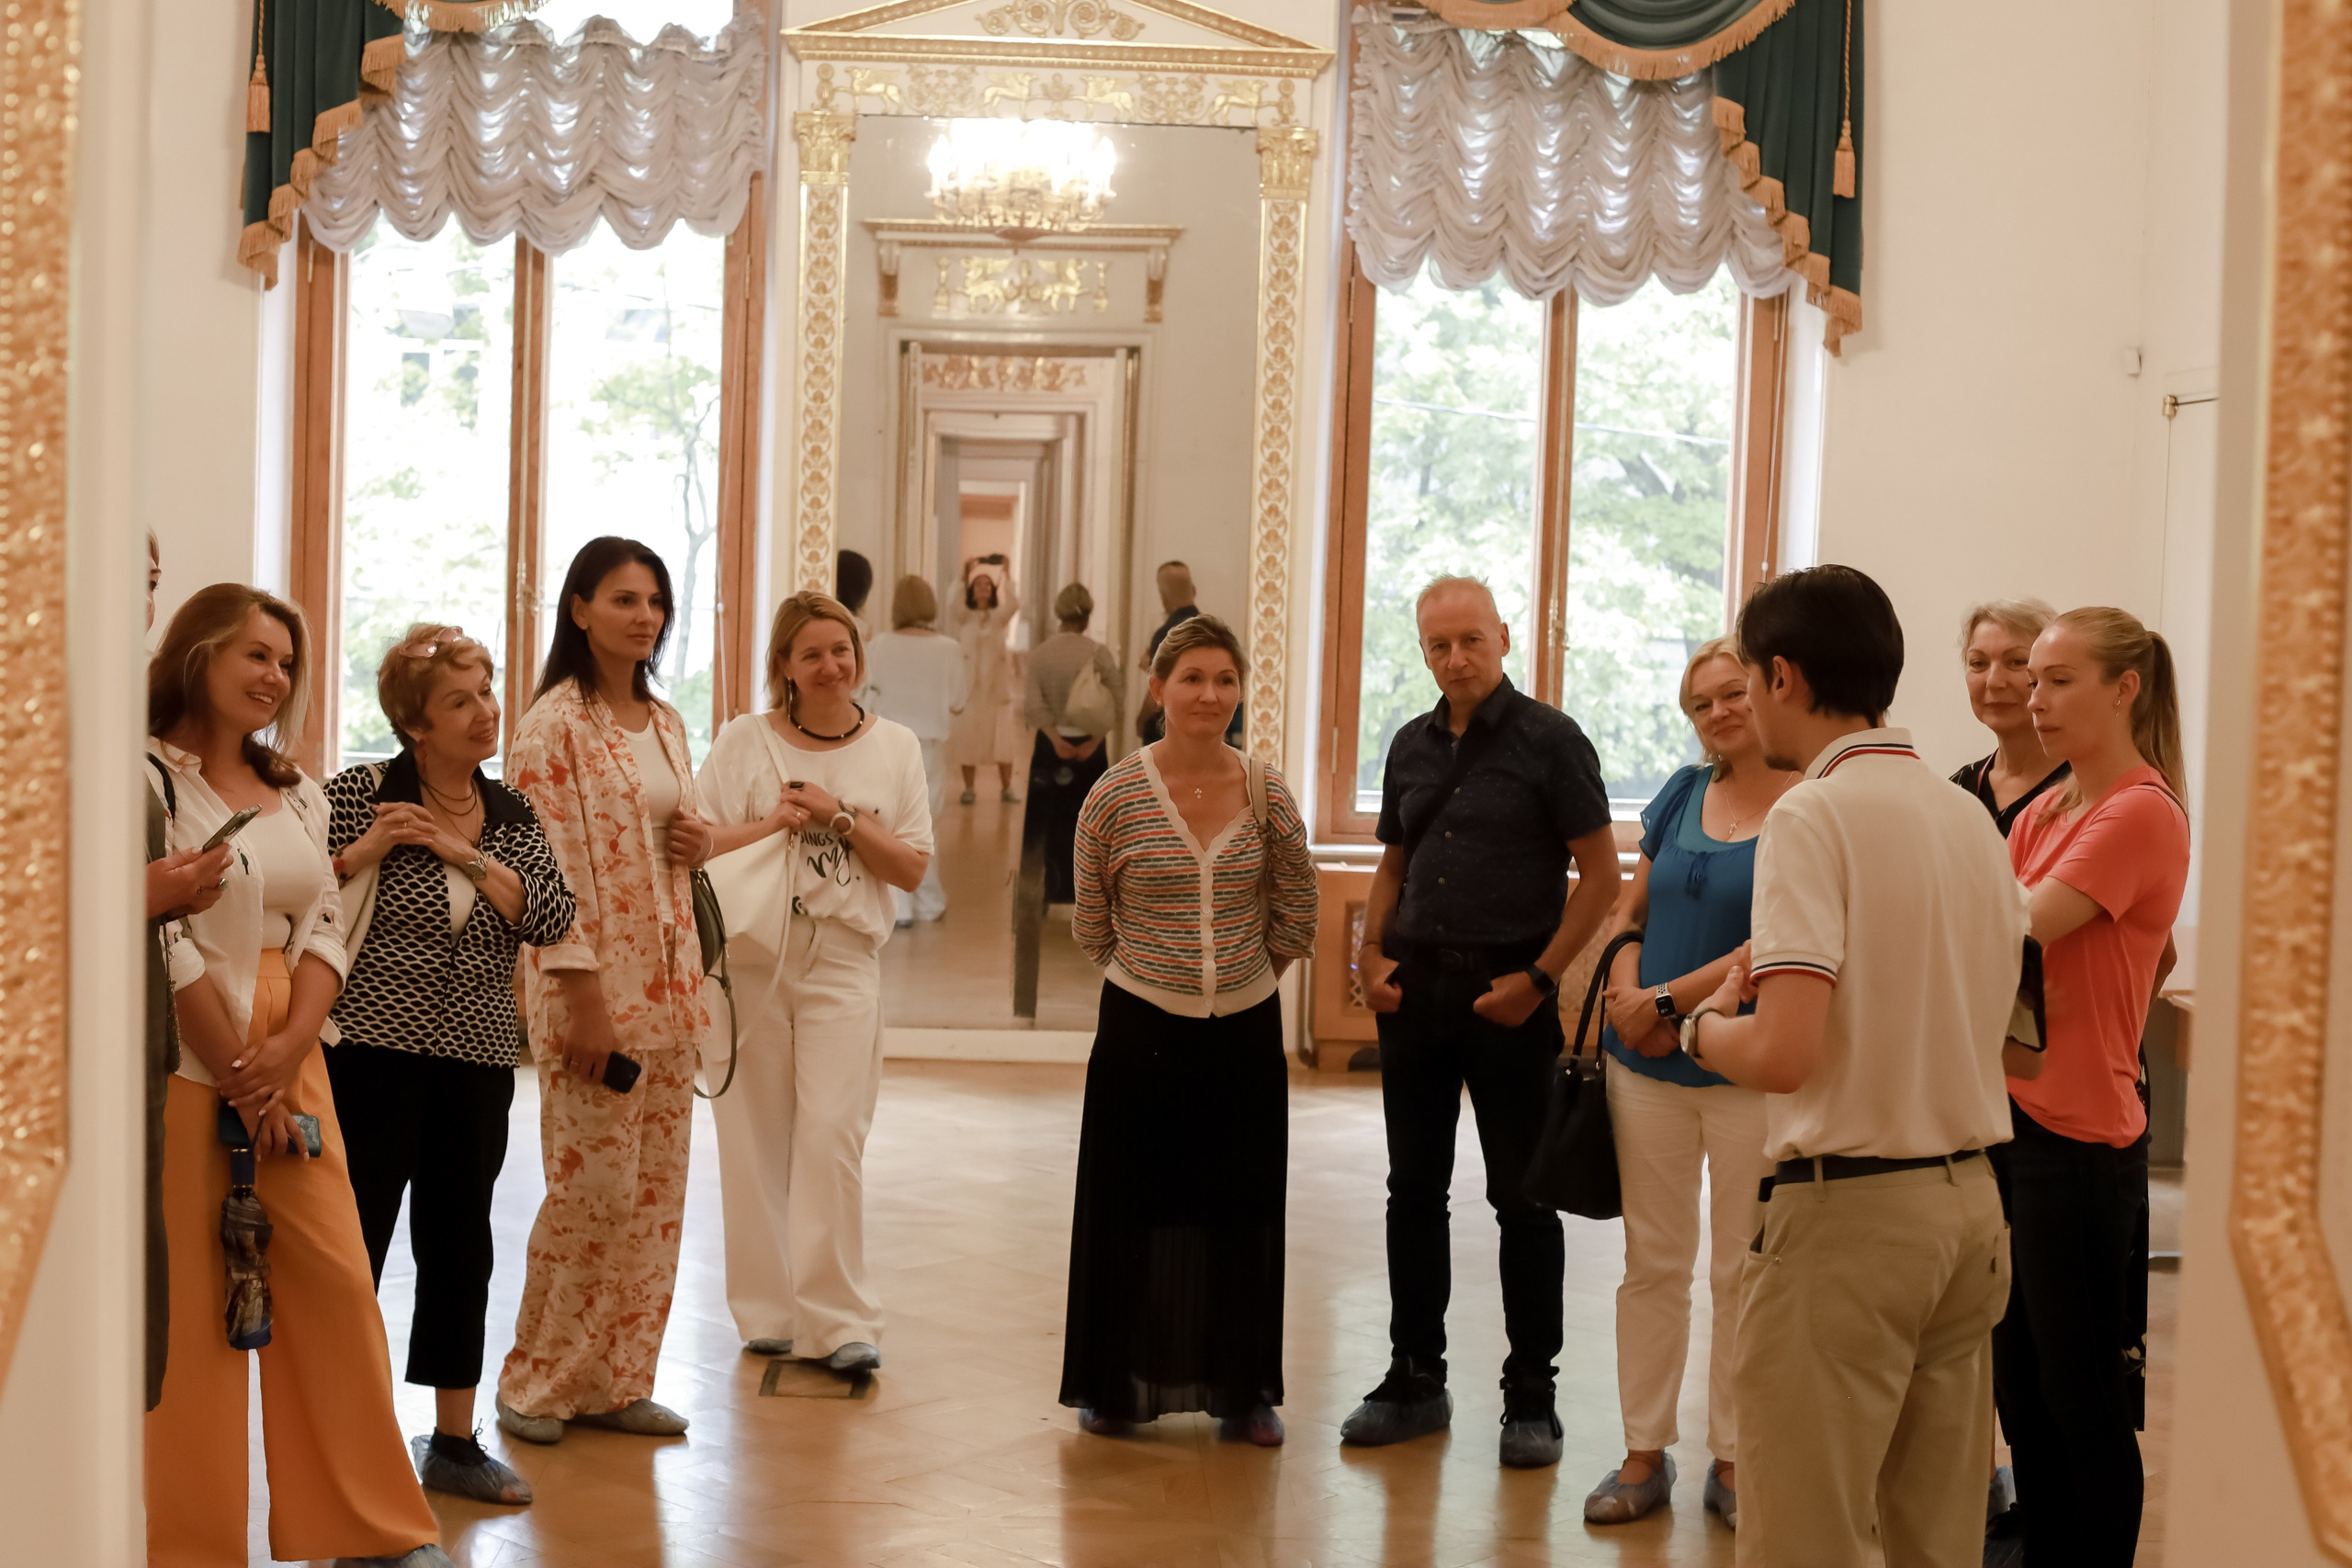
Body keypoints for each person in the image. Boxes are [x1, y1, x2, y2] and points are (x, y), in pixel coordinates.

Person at [1679, 564, 2025, 1568]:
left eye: (1746, 679)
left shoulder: (1810, 814)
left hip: (1850, 1220)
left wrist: (1702, 1030)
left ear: (1782, 676)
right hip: (1968, 1206)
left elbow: (1784, 1051)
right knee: (1936, 1536)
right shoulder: (1968, 816)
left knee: (1803, 1539)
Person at [145, 583, 451, 1568]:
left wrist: (289, 1051)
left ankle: (368, 1530)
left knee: (334, 1283)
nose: (275, 677)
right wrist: (240, 1071)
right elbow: (168, 941)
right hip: (197, 1060)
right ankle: (190, 1545)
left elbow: (327, 921)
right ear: (197, 654)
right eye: (256, 655)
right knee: (195, 1310)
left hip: (293, 1055)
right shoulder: (149, 778)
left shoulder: (299, 787)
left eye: (286, 662)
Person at [1344, 575, 1622, 1469]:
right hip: (1415, 999)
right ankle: (1414, 1377)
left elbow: (1602, 880)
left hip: (1510, 1000)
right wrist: (1370, 957)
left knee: (1522, 1199)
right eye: (1437, 645)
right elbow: (1394, 861)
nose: (1455, 658)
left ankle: (1530, 1398)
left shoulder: (1552, 742)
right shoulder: (1409, 745)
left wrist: (1538, 981)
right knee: (1412, 1193)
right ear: (1421, 651)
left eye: (1470, 640)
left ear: (1503, 638)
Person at [325, 626, 577, 1506]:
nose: (486, 712)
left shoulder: (510, 814)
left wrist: (460, 850)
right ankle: (345, 1438)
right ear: (415, 723)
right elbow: (301, 887)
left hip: (475, 1061)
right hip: (370, 1054)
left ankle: (455, 1439)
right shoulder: (362, 791)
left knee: (460, 1244)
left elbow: (549, 913)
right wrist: (366, 850)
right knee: (355, 1242)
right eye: (461, 700)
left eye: (487, 693)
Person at [1060, 615, 1318, 1444]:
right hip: (1142, 1027)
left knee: (1240, 1208)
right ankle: (1116, 1385)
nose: (1211, 694)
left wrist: (1246, 982)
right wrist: (1159, 981)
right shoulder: (1114, 795)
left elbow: (1297, 906)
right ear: (1158, 687)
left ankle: (1242, 1391)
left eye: (1225, 679)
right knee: (1132, 1204)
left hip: (1243, 1030)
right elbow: (1092, 924)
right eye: (1193, 678)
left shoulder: (1267, 791)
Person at [496, 537, 709, 1445]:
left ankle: (621, 1379)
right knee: (593, 1195)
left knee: (656, 1196)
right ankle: (537, 1382)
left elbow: (666, 843)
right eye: (624, 598)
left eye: (654, 601)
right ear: (579, 609)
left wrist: (695, 842)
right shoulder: (553, 729)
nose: (645, 615)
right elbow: (545, 871)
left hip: (672, 989)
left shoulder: (664, 722)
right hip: (590, 991)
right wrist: (582, 996)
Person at [1583, 638, 1796, 1529]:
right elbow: (1632, 906)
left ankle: (1737, 1458)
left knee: (1743, 1269)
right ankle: (1643, 1451)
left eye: (1732, 691)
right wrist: (1630, 991)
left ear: (1765, 690)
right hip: (1645, 1069)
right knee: (1652, 1263)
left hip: (1746, 1063)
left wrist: (1665, 1000)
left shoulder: (1805, 806)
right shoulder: (1679, 791)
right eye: (1701, 701)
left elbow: (1775, 944)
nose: (1719, 710)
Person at [1994, 607, 2189, 1567]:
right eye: (2032, 680)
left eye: (2056, 679)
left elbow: (2021, 919)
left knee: (2081, 1395)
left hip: (2080, 1142)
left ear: (2124, 689)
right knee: (2021, 1387)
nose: (2034, 700)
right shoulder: (2049, 805)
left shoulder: (2139, 811)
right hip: (2011, 1120)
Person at [695, 592, 934, 1375]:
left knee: (832, 1134)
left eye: (841, 649)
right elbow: (696, 845)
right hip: (754, 952)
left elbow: (910, 866)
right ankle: (767, 1310)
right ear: (785, 669)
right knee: (754, 1135)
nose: (831, 665)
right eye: (811, 654)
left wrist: (838, 817)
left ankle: (839, 1320)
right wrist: (773, 823)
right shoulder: (744, 740)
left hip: (843, 958)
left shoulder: (894, 746)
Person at [141, 533, 233, 1416]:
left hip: (148, 1040)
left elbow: (323, 909)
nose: (141, 596)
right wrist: (147, 894)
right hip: (182, 1017)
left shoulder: (297, 786)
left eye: (153, 582)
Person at [864, 575, 965, 924]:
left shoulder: (877, 645)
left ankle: (899, 906)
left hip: (884, 743)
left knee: (889, 823)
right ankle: (928, 901)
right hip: (929, 747)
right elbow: (957, 703)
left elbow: (865, 694)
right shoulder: (949, 648)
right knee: (925, 825)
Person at [1023, 582, 1125, 904]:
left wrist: (1055, 739)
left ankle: (1042, 892)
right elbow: (1118, 703)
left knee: (1043, 822)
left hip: (1050, 747)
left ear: (1058, 613)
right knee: (1093, 823)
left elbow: (1032, 706)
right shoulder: (1099, 654)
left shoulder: (1040, 655)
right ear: (1088, 614)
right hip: (1090, 746)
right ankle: (1090, 895)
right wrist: (1094, 741)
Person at [1954, 599, 2071, 834]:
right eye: (1978, 663)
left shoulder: (2085, 790)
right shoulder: (1959, 787)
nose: (1994, 681)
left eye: (2017, 662)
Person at [1133, 560, 1242, 746]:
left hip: (1167, 732)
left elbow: (1158, 688)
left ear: (1162, 594)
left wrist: (1141, 720)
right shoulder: (1212, 632)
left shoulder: (1167, 634)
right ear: (1194, 590)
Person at [947, 556, 1022, 804]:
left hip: (996, 691)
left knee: (1002, 740)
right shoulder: (964, 616)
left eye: (987, 585)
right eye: (978, 584)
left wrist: (1008, 573)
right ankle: (969, 788)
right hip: (971, 691)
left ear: (992, 591)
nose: (983, 588)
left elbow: (1013, 604)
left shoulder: (999, 617)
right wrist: (963, 573)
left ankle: (1007, 788)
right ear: (971, 589)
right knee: (969, 739)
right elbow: (952, 602)